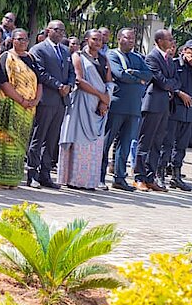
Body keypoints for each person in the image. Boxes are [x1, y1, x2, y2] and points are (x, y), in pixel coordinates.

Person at [0, 28, 41, 188]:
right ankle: (1, 179)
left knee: (19, 145)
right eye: (19, 39)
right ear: (12, 40)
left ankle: (14, 180)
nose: (23, 42)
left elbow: (39, 81)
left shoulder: (31, 58)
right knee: (5, 142)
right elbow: (3, 83)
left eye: (25, 39)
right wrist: (21, 100)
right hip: (9, 106)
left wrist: (36, 100)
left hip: (27, 110)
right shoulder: (6, 57)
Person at [58, 29, 111, 190]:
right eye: (94, 39)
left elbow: (109, 82)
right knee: (78, 141)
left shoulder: (104, 59)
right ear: (87, 40)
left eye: (100, 40)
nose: (98, 42)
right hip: (82, 102)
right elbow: (79, 80)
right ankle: (74, 180)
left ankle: (90, 182)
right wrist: (100, 95)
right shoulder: (78, 56)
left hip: (99, 105)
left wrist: (105, 101)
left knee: (95, 145)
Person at [26, 20, 75, 189]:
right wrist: (59, 86)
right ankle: (32, 173)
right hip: (46, 99)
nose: (61, 33)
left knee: (52, 139)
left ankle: (45, 174)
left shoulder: (65, 50)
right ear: (48, 30)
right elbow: (40, 72)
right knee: (38, 137)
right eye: (57, 30)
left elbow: (71, 72)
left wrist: (69, 85)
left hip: (61, 101)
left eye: (62, 30)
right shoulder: (38, 49)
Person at [103, 28, 152, 191]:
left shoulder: (137, 57)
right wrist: (138, 80)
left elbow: (148, 75)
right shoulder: (112, 55)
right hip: (117, 105)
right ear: (119, 39)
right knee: (107, 142)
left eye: (132, 38)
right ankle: (100, 175)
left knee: (125, 145)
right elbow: (120, 74)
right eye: (127, 38)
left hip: (133, 107)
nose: (130, 41)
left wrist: (134, 73)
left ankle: (120, 178)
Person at [133, 28, 180, 192]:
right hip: (152, 104)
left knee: (157, 143)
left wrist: (170, 85)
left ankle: (150, 177)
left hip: (164, 105)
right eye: (169, 39)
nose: (172, 42)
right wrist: (170, 85)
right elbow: (161, 82)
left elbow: (177, 81)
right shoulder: (152, 58)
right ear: (160, 41)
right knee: (145, 141)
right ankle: (139, 177)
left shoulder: (169, 59)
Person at [159, 39, 192, 191]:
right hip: (174, 109)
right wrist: (179, 92)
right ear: (185, 50)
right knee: (167, 144)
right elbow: (168, 82)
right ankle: (160, 174)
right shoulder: (174, 64)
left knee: (182, 146)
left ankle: (176, 176)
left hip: (188, 112)